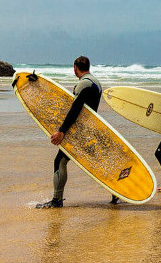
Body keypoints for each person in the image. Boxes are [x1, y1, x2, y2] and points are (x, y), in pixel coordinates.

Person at [35, 56, 111, 209]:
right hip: (91, 130)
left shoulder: (84, 83)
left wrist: (62, 131)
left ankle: (57, 200)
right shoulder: (96, 82)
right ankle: (116, 193)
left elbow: (75, 109)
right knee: (97, 163)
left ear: (75, 67)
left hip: (79, 132)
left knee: (60, 161)